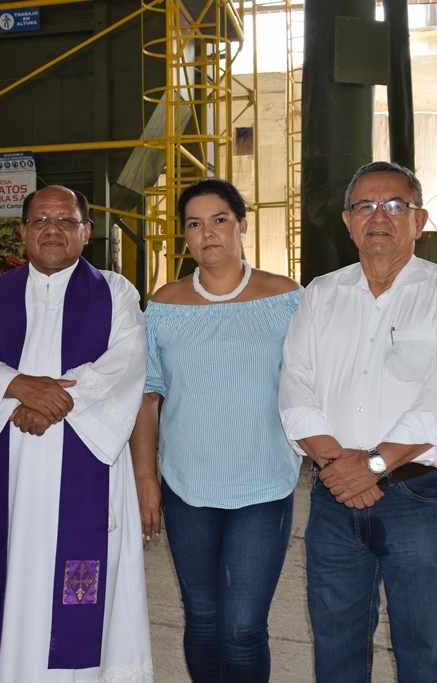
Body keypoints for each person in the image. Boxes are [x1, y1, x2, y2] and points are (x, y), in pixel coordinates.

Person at [279, 161, 437, 682]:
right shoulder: (321, 295)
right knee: (336, 646)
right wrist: (339, 467)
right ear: (348, 223)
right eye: (365, 206)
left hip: (421, 500)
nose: (380, 216)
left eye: (395, 205)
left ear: (418, 221)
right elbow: (295, 390)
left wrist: (371, 464)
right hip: (335, 497)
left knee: (424, 648)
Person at [0, 186, 153, 683]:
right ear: (22, 231)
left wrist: (50, 406)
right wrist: (17, 387)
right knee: (6, 570)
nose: (53, 229)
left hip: (84, 460)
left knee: (83, 595)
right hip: (9, 465)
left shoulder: (115, 291)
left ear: (86, 231)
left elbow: (125, 363)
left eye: (67, 219)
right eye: (41, 219)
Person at [130, 178, 302, 682]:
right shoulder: (164, 305)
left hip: (263, 483)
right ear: (184, 235)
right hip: (187, 485)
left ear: (242, 225)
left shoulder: (288, 298)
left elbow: (314, 384)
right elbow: (148, 394)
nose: (208, 234)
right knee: (203, 618)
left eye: (220, 220)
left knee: (244, 625)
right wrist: (146, 479)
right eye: (194, 224)